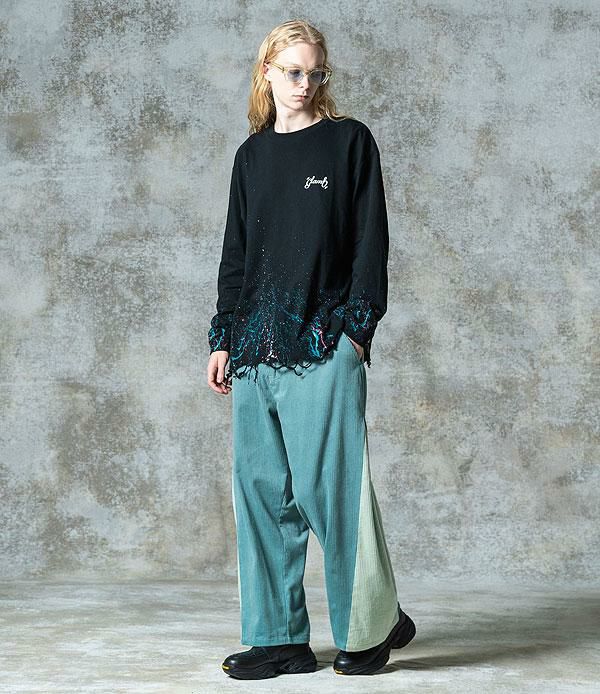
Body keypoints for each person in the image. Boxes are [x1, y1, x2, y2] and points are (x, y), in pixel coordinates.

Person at [207, 19, 416, 679]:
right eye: (293, 71)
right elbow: (237, 256)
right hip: (255, 349)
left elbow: (370, 245)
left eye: (315, 72)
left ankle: (369, 627)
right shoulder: (251, 157)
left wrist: (356, 333)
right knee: (262, 493)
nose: (305, 83)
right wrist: (223, 337)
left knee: (333, 492)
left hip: (325, 342)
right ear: (267, 72)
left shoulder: (348, 142)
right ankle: (278, 639)